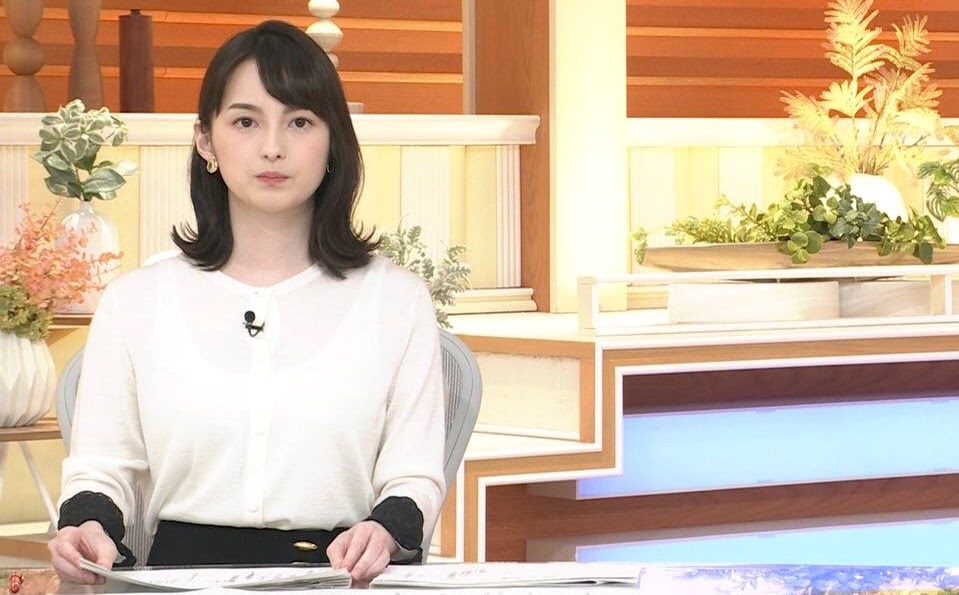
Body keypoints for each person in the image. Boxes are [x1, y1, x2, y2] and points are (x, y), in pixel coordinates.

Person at [47, 20, 446, 584]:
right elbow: (101, 469)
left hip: (337, 580)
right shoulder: (136, 301)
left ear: (333, 142)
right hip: (178, 583)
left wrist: (383, 531)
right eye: (245, 121)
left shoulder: (397, 301)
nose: (273, 147)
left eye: (300, 121)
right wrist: (86, 526)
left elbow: (414, 477)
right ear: (205, 140)